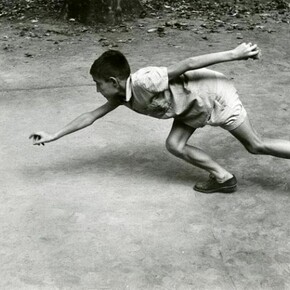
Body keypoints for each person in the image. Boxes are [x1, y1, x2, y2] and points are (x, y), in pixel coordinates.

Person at [29, 43, 290, 193]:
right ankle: (224, 178)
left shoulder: (145, 80)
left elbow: (188, 63)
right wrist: (54, 135)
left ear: (113, 81)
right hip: (190, 105)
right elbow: (91, 116)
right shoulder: (120, 96)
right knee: (174, 145)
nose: (96, 89)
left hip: (213, 95)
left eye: (97, 83)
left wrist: (236, 54)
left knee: (255, 145)